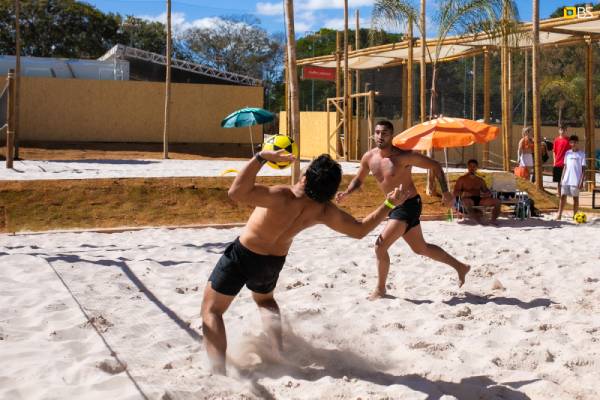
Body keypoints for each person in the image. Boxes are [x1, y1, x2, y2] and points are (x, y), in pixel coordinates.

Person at [201, 150, 409, 374]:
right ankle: (277, 352)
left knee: (212, 310)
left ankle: (218, 372)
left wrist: (260, 157)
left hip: (245, 254)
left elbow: (236, 192)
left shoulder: (282, 195)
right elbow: (359, 230)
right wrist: (388, 205)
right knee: (265, 301)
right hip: (272, 263)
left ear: (306, 177)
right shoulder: (322, 210)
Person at [336, 120, 470, 300]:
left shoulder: (403, 157)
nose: (380, 136)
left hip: (408, 205)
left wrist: (445, 192)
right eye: (377, 132)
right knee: (421, 248)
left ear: (391, 135)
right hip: (393, 205)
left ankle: (381, 290)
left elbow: (436, 166)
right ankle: (461, 267)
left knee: (380, 247)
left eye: (384, 133)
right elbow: (359, 180)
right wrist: (346, 193)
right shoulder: (369, 157)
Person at [453, 159, 501, 225]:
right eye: (470, 166)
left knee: (497, 202)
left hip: (479, 199)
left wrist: (488, 193)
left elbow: (486, 191)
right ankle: (478, 221)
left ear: (476, 168)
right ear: (468, 167)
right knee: (467, 202)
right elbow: (455, 192)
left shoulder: (480, 180)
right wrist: (463, 193)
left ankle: (493, 220)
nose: (472, 168)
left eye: (474, 166)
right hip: (467, 199)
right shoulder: (462, 179)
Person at [556, 135, 586, 220]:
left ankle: (575, 215)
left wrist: (581, 182)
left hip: (576, 181)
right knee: (562, 197)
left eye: (575, 142)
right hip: (566, 180)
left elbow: (584, 170)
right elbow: (565, 167)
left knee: (575, 199)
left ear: (577, 143)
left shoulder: (582, 154)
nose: (573, 144)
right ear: (570, 143)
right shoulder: (567, 153)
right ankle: (559, 215)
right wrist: (562, 179)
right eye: (572, 142)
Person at [553, 124, 571, 196]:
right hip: (558, 162)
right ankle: (559, 194)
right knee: (558, 180)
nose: (562, 131)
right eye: (561, 130)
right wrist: (554, 161)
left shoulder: (569, 140)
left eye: (564, 130)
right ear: (559, 131)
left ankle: (565, 194)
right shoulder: (556, 140)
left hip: (566, 163)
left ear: (566, 130)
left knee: (566, 179)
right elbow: (554, 151)